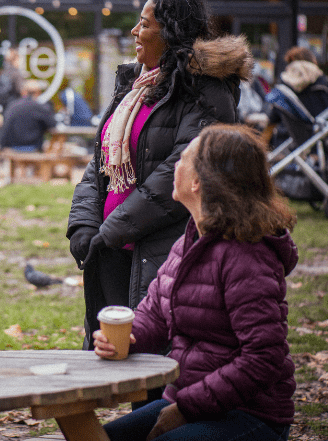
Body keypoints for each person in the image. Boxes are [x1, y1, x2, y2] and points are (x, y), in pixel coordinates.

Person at [67, 0, 253, 350]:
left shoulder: (206, 90)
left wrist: (113, 228)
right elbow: (101, 159)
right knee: (120, 355)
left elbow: (182, 170)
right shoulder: (136, 83)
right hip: (112, 247)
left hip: (164, 250)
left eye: (144, 23)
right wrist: (84, 224)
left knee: (156, 364)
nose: (135, 32)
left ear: (170, 32)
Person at [94, 124, 297, 441]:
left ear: (199, 182)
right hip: (189, 400)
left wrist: (187, 409)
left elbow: (263, 359)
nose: (174, 165)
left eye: (183, 159)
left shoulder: (247, 258)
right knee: (97, 437)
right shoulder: (188, 241)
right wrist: (127, 337)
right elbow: (154, 317)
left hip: (251, 414)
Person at [262, 46, 328, 147]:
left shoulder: (285, 82)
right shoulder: (321, 80)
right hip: (319, 139)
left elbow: (273, 116)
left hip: (286, 140)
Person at [0, 79, 57, 151]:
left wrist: (1, 147)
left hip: (12, 149)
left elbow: (4, 129)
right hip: (33, 149)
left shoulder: (12, 106)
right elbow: (53, 125)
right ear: (38, 92)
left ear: (23, 92)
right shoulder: (40, 107)